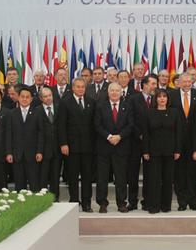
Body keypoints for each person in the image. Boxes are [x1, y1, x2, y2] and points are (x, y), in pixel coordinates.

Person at [94, 83, 133, 213]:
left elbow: (130, 125)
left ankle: (121, 203)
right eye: (112, 90)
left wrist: (119, 136)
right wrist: (109, 136)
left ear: (121, 93)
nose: (115, 93)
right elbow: (97, 124)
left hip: (121, 146)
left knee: (121, 177)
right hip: (104, 146)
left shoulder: (127, 106)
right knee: (102, 177)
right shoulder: (100, 106)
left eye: (117, 90)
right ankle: (102, 203)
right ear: (108, 92)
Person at [143, 89, 183, 213]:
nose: (162, 99)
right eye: (159, 96)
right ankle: (153, 206)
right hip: (153, 151)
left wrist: (177, 150)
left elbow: (178, 133)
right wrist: (145, 151)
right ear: (155, 99)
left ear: (167, 99)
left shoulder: (174, 112)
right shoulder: (149, 112)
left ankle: (166, 206)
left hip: (170, 151)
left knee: (168, 179)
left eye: (164, 96)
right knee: (154, 179)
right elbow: (146, 133)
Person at [59, 78, 96, 212]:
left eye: (82, 87)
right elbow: (61, 125)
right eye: (78, 87)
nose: (80, 89)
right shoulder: (65, 102)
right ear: (73, 88)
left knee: (87, 176)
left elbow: (94, 124)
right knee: (72, 176)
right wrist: (63, 143)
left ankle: (86, 203)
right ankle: (74, 201)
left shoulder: (91, 102)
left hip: (88, 146)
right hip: (71, 147)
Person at [170, 73, 196, 210]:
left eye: (189, 81)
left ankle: (193, 202)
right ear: (179, 82)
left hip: (194, 140)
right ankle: (182, 202)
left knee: (194, 173)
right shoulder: (172, 95)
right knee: (179, 173)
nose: (187, 84)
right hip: (177, 140)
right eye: (184, 81)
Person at [126, 75, 157, 210]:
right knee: (133, 173)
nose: (154, 86)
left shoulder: (157, 99)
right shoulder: (133, 99)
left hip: (152, 143)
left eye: (155, 84)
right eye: (152, 84)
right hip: (135, 142)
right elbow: (130, 119)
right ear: (144, 84)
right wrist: (139, 134)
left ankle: (147, 200)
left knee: (149, 173)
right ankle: (132, 201)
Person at [5, 87, 44, 191]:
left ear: (31, 99)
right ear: (18, 98)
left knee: (34, 184)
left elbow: (41, 134)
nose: (24, 99)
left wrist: (39, 151)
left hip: (33, 155)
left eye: (27, 97)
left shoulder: (37, 113)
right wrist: (9, 153)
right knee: (19, 185)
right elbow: (9, 134)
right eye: (22, 97)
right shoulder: (12, 113)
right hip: (17, 154)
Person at [36, 87, 62, 199]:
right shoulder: (36, 111)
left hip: (57, 149)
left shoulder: (59, 107)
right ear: (41, 98)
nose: (48, 98)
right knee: (42, 177)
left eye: (50, 95)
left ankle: (55, 199)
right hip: (43, 150)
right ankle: (43, 200)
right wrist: (38, 151)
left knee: (55, 177)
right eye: (45, 96)